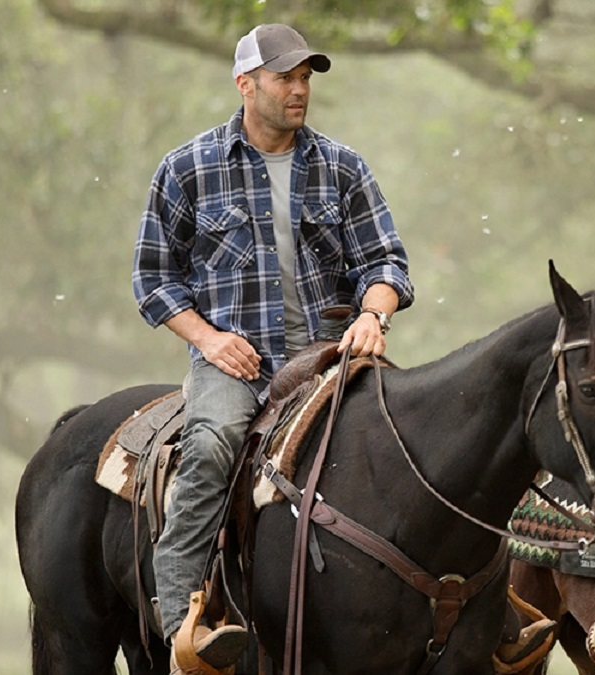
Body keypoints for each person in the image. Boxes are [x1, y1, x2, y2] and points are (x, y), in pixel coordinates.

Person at [132, 23, 414, 672]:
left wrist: (374, 314)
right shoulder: (187, 168)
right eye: (285, 77)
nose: (298, 89)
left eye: (305, 78)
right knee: (208, 447)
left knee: (416, 440)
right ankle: (185, 628)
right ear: (245, 84)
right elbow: (153, 278)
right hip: (237, 363)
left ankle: (472, 614)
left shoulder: (343, 167)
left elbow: (386, 262)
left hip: (329, 359)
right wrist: (209, 338)